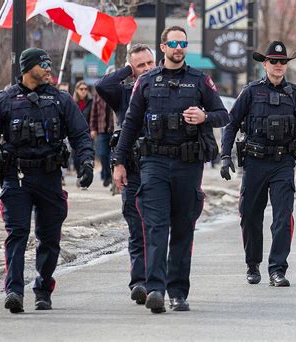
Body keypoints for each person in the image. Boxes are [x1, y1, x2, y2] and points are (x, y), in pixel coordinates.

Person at [113, 26, 229, 313]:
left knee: (182, 229)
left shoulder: (200, 80)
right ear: (163, 47)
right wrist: (118, 162)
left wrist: (204, 116)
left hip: (188, 164)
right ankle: (155, 289)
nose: (179, 48)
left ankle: (178, 292)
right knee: (155, 227)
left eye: (183, 43)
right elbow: (130, 123)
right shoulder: (147, 81)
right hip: (154, 163)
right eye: (174, 43)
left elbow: (223, 115)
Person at [0, 48, 94, 313]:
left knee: (49, 238)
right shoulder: (3, 100)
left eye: (50, 64)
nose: (48, 69)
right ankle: (14, 291)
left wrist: (85, 162)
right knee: (17, 234)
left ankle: (43, 287)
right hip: (16, 178)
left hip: (50, 177)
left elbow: (80, 134)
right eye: (43, 65)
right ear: (27, 68)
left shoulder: (61, 100)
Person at [220, 41, 296, 287]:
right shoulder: (251, 92)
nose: (278, 65)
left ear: (286, 65)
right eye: (273, 61)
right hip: (254, 162)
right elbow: (231, 124)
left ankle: (277, 269)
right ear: (265, 64)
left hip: (283, 163)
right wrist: (224, 156)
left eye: (282, 61)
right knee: (250, 215)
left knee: (283, 218)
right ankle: (253, 264)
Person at [95, 43, 155, 305]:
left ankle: (156, 281)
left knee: (158, 228)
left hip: (159, 168)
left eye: (149, 63)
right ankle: (139, 282)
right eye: (140, 65)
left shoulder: (167, 89)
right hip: (131, 169)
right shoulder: (124, 93)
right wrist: (129, 69)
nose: (146, 69)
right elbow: (103, 85)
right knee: (136, 228)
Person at [89, 90, 114, 187]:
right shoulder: (99, 93)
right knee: (102, 154)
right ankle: (106, 174)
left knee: (113, 156)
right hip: (101, 129)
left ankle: (110, 177)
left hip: (114, 129)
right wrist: (93, 128)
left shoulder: (117, 90)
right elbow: (93, 112)